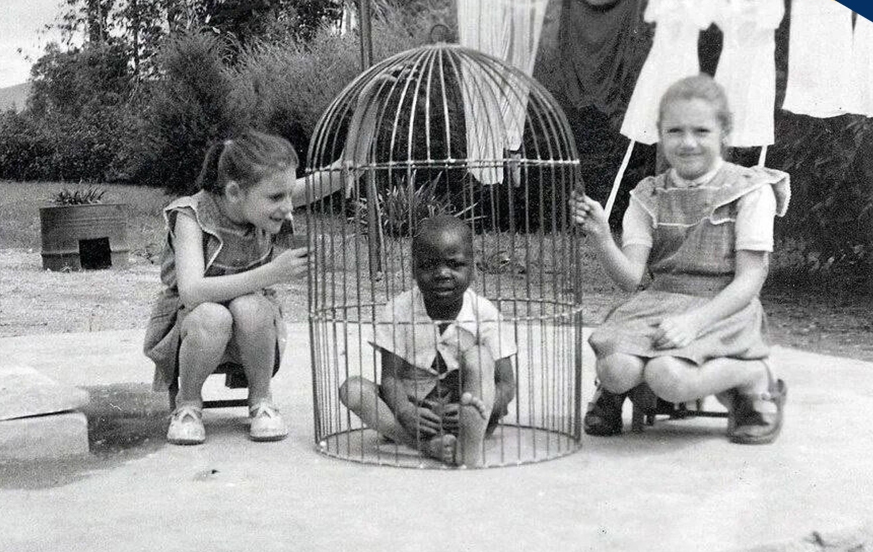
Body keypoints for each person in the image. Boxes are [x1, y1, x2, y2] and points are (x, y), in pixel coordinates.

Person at [571, 74, 790, 444]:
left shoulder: (750, 190)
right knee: (615, 368)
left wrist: (694, 322)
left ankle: (752, 376)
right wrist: (602, 236)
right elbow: (629, 279)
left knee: (668, 377)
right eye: (675, 131)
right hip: (658, 302)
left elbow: (750, 279)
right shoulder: (649, 194)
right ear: (661, 133)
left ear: (725, 133)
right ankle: (616, 388)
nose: (687, 143)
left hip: (723, 307)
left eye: (701, 131)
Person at [143, 130, 339, 446]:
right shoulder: (190, 216)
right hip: (189, 333)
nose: (288, 207)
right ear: (234, 192)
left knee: (251, 306)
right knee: (212, 316)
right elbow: (191, 292)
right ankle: (188, 405)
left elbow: (345, 171)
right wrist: (272, 272)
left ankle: (261, 401)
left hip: (251, 332)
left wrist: (368, 102)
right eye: (278, 198)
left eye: (290, 194)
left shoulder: (261, 196)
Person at [337, 215, 517, 467]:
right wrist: (405, 411)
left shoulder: (484, 312)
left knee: (478, 357)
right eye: (429, 265)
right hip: (416, 418)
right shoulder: (399, 310)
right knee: (352, 389)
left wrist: (486, 404)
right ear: (413, 268)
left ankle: (469, 436)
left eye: (455, 264)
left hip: (467, 406)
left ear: (473, 268)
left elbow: (507, 385)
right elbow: (391, 378)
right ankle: (424, 446)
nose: (442, 274)